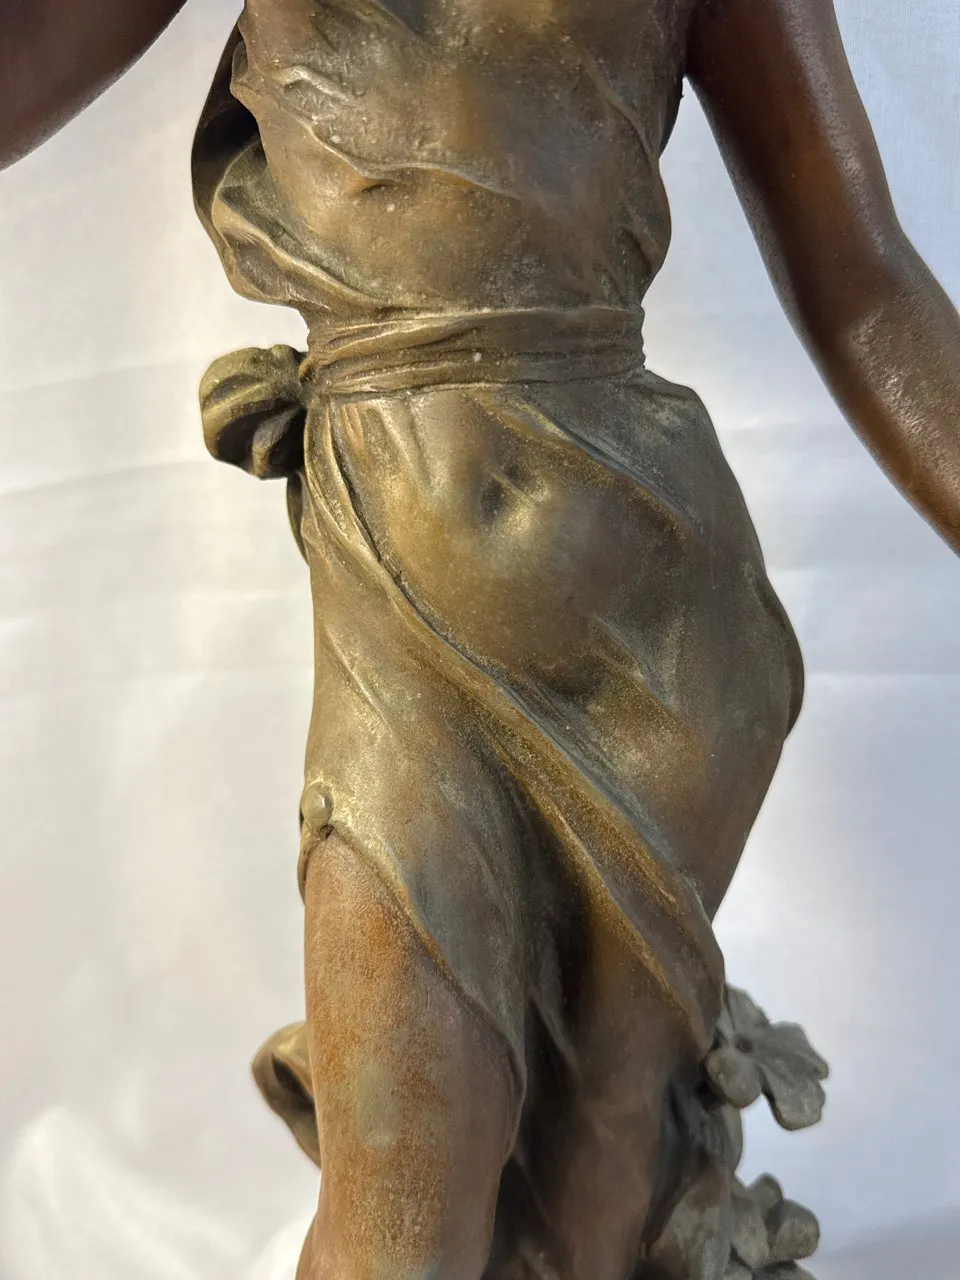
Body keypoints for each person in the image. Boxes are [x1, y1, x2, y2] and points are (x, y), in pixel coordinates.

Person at [3, 3, 959, 1279]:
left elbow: (865, 275)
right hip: (398, 630)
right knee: (400, 1210)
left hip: (662, 643)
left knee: (594, 1216)